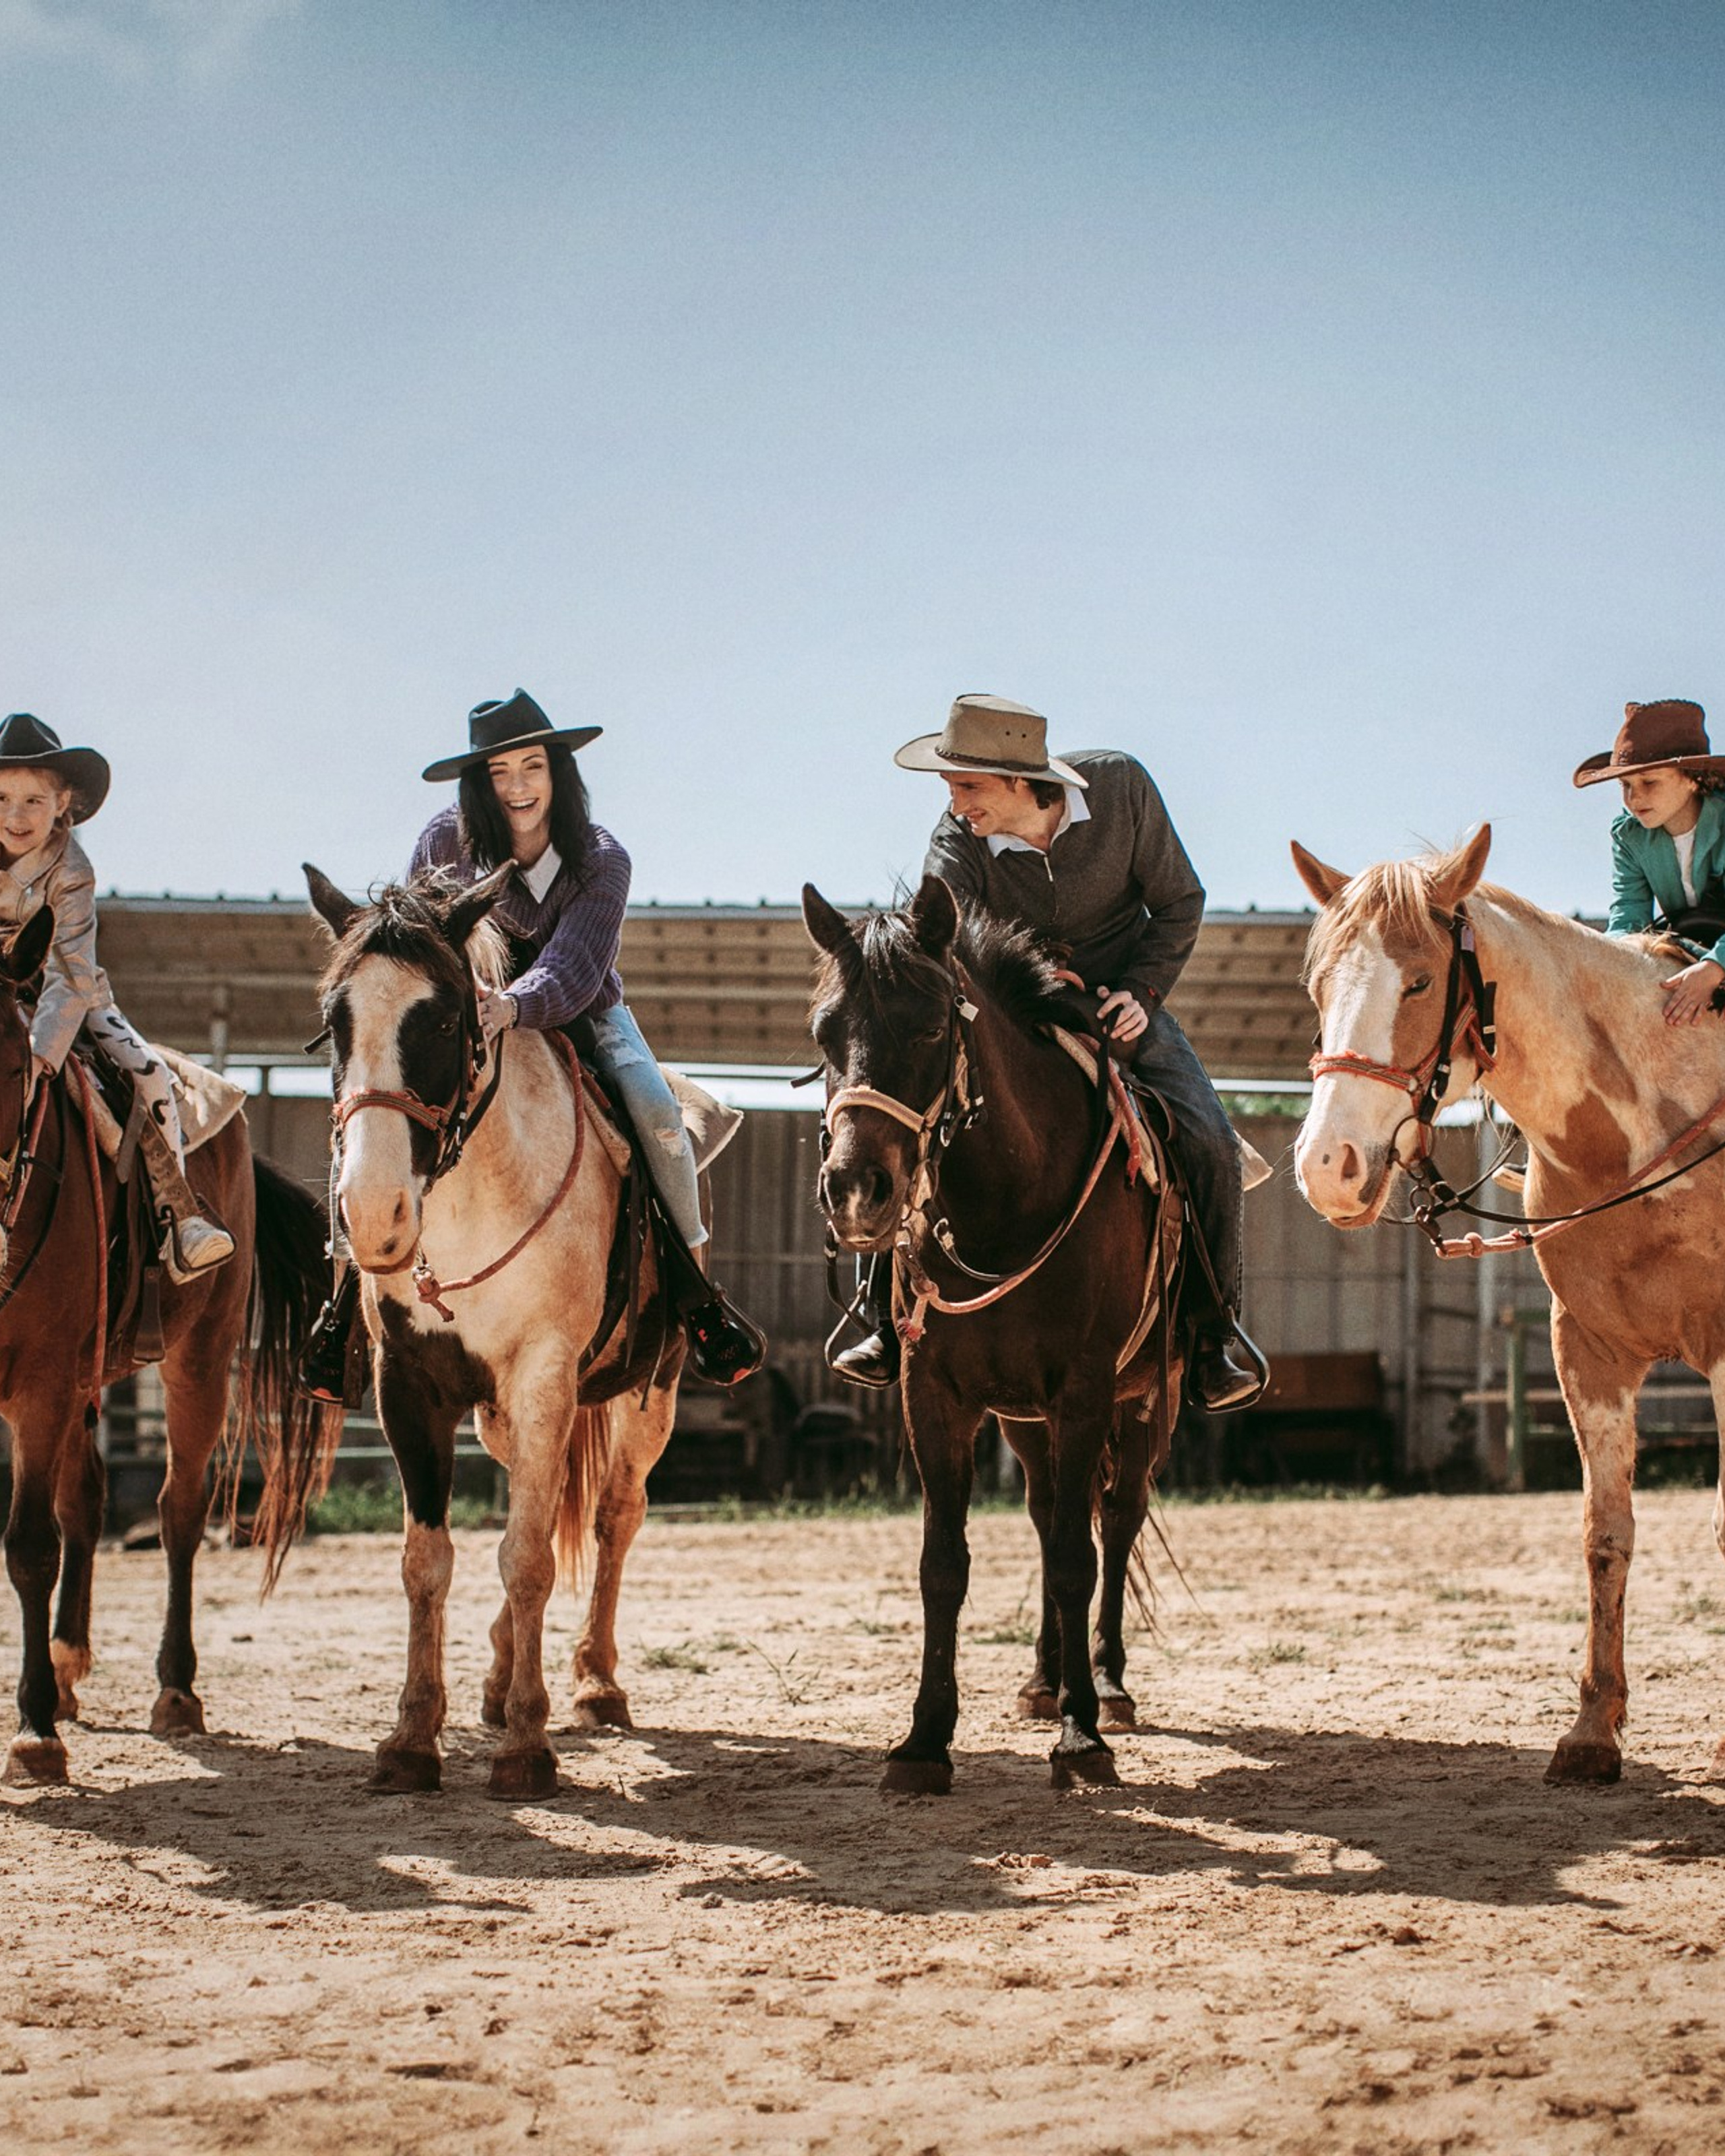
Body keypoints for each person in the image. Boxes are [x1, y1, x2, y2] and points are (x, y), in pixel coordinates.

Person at [299, 689, 763, 1399]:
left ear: (558, 773)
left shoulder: (602, 858)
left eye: (532, 767)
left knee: (658, 1115)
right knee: (369, 1118)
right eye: (499, 772)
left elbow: (574, 967)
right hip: (465, 1018)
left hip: (580, 1012)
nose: (517, 787)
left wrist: (510, 1005)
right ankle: (344, 1312)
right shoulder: (441, 841)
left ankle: (696, 1297)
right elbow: (418, 938)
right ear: (477, 783)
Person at [831, 691, 1266, 1413]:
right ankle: (878, 1320)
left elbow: (1180, 901)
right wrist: (1026, 970)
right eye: (948, 786)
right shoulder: (956, 836)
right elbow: (929, 937)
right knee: (912, 1115)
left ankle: (1214, 1334)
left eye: (966, 785)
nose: (953, 800)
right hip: (1019, 1010)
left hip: (1124, 1007)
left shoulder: (1122, 787)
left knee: (1213, 1141)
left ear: (1015, 779)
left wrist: (1141, 991)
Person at [0, 710, 234, 1279]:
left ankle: (179, 1218)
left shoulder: (73, 870)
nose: (16, 814)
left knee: (148, 1071)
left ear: (64, 805)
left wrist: (39, 1055)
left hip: (69, 1001)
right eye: (3, 797)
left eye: (35, 801)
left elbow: (72, 975)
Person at [1573, 698, 1725, 1026]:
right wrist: (1613, 965)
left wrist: (1717, 966)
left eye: (1650, 782)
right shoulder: (1630, 837)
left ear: (1691, 778)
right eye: (1625, 785)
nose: (1634, 798)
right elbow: (1629, 910)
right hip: (1691, 945)